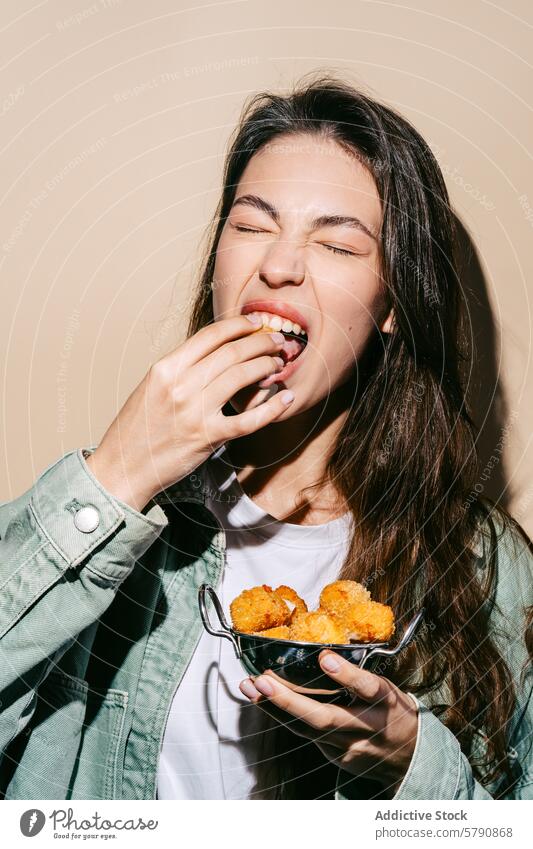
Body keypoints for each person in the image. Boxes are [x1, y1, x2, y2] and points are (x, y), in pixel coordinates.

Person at [0, 72, 531, 801]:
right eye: (250, 226)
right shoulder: (112, 521)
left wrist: (415, 768)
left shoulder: (484, 567)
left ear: (391, 306)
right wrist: (115, 475)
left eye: (337, 245)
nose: (277, 264)